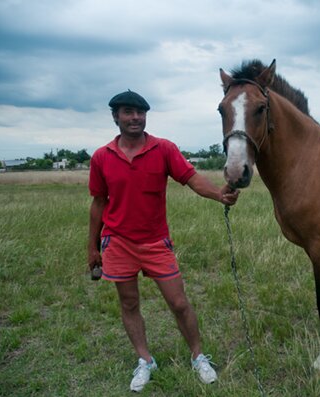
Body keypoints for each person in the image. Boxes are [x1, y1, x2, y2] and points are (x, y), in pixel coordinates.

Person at [87, 90, 239, 392]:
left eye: (140, 112)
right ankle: (145, 360)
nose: (135, 118)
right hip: (117, 243)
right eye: (128, 112)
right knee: (129, 303)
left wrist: (218, 195)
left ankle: (198, 357)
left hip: (156, 243)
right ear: (115, 116)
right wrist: (92, 247)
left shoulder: (163, 149)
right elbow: (98, 203)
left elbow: (192, 178)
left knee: (179, 303)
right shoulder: (102, 157)